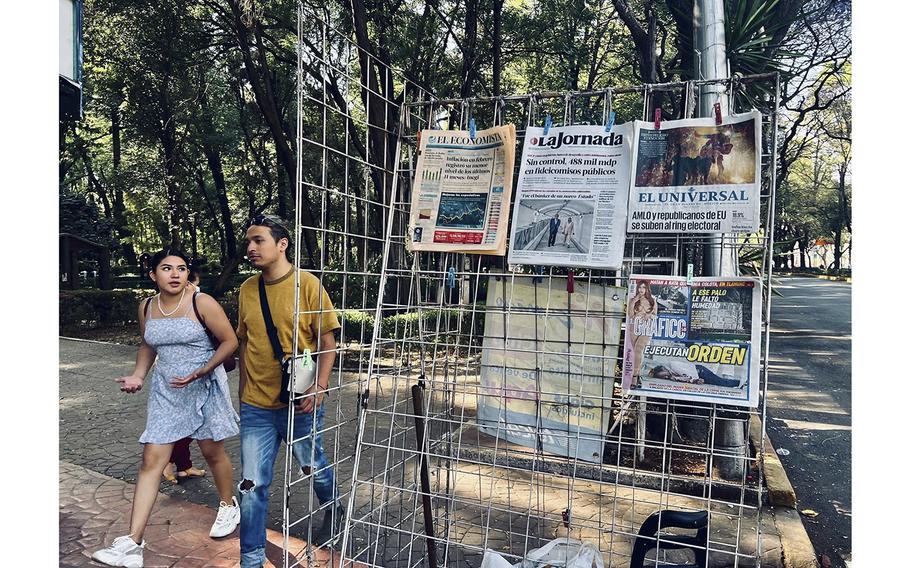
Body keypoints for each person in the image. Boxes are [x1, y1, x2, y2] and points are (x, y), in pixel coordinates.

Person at [92, 249, 241, 568]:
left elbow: (230, 341)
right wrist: (138, 375)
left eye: (182, 268)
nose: (175, 274)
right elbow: (148, 344)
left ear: (188, 274)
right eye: (167, 268)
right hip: (167, 391)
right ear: (153, 275)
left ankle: (228, 505)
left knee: (212, 452)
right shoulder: (146, 306)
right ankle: (132, 544)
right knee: (151, 461)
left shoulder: (202, 303)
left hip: (204, 385)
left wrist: (203, 370)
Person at [236, 214, 343, 567]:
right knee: (251, 485)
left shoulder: (308, 285)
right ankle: (250, 558)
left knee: (313, 466)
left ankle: (333, 507)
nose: (251, 248)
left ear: (282, 244)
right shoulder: (247, 289)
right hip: (255, 406)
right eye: (248, 242)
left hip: (300, 400)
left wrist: (321, 386)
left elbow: (328, 342)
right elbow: (244, 342)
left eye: (259, 241)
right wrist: (241, 393)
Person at [161, 268, 207, 485]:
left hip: (198, 374)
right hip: (182, 375)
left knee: (191, 421)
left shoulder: (199, 304)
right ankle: (168, 462)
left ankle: (184, 466)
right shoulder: (166, 307)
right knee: (188, 422)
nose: (194, 290)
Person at [627, 279, 658, 380]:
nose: (641, 289)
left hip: (647, 327)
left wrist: (649, 315)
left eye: (644, 287)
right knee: (634, 352)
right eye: (640, 287)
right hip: (635, 326)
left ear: (647, 289)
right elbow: (631, 315)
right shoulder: (633, 299)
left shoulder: (652, 299)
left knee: (638, 349)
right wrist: (633, 302)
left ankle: (635, 376)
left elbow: (655, 314)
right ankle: (634, 375)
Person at [648, 362, 742, 388]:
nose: (665, 377)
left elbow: (687, 376)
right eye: (663, 377)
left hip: (700, 372)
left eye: (663, 375)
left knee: (722, 382)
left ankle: (741, 383)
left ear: (664, 369)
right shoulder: (670, 373)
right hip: (699, 373)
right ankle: (740, 383)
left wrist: (695, 380)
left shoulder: (673, 366)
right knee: (720, 382)